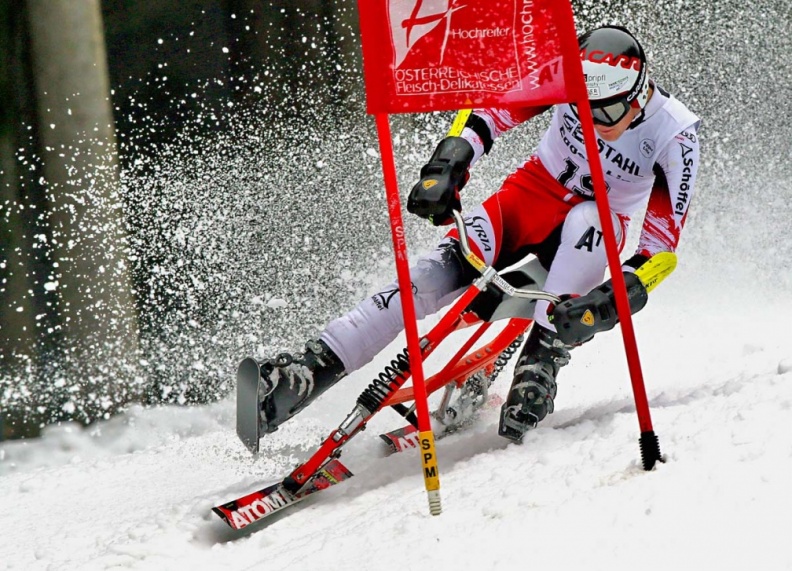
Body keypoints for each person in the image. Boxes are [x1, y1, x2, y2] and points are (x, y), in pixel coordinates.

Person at [254, 25, 701, 442]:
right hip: (530, 199)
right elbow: (490, 112)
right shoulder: (565, 71)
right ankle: (308, 372)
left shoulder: (674, 134)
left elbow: (660, 250)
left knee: (590, 222)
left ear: (639, 96)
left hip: (599, 225)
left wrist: (611, 300)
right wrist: (446, 166)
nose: (591, 120)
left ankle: (540, 362)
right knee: (424, 279)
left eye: (607, 110)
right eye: (581, 107)